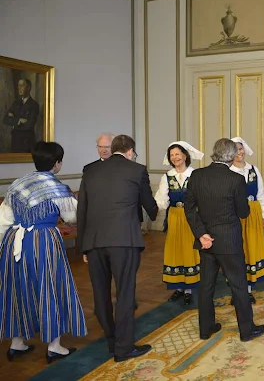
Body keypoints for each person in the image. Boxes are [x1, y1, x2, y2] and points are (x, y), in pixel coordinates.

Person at [0, 141, 86, 363]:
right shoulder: (58, 188)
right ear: (57, 163)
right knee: (50, 289)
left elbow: (4, 220)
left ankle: (16, 343)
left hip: (14, 242)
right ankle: (54, 346)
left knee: (18, 288)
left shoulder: (17, 184)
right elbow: (72, 218)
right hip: (44, 241)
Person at [77, 134, 158, 362]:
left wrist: (83, 246)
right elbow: (148, 204)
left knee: (100, 294)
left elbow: (81, 210)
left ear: (112, 149)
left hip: (94, 242)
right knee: (124, 294)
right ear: (130, 151)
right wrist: (157, 211)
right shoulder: (137, 170)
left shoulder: (90, 171)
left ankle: (112, 341)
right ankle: (124, 348)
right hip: (124, 241)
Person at [184, 138, 264, 342]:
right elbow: (243, 212)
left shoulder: (197, 175)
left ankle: (206, 328)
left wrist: (201, 233)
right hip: (229, 241)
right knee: (238, 285)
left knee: (206, 286)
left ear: (214, 153)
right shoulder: (236, 180)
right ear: (231, 156)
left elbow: (188, 208)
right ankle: (247, 331)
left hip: (206, 241)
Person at [154, 141, 204, 305]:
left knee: (190, 250)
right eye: (172, 155)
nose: (174, 157)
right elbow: (161, 200)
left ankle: (189, 289)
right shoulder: (167, 177)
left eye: (177, 154)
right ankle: (179, 287)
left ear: (185, 155)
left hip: (192, 217)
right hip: (174, 217)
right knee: (176, 250)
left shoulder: (196, 175)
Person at [230, 137, 264, 304]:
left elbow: (261, 193)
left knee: (250, 250)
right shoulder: (228, 171)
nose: (238, 152)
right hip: (235, 215)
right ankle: (236, 291)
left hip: (252, 214)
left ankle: (247, 290)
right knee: (237, 252)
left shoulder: (253, 170)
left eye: (240, 149)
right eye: (235, 150)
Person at [3, 78, 39, 153]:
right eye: (18, 86)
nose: (19, 88)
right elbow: (5, 119)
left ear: (28, 88)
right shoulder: (16, 103)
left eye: (22, 85)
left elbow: (29, 125)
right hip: (15, 142)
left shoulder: (34, 105)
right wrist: (19, 120)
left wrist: (13, 120)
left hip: (27, 143)